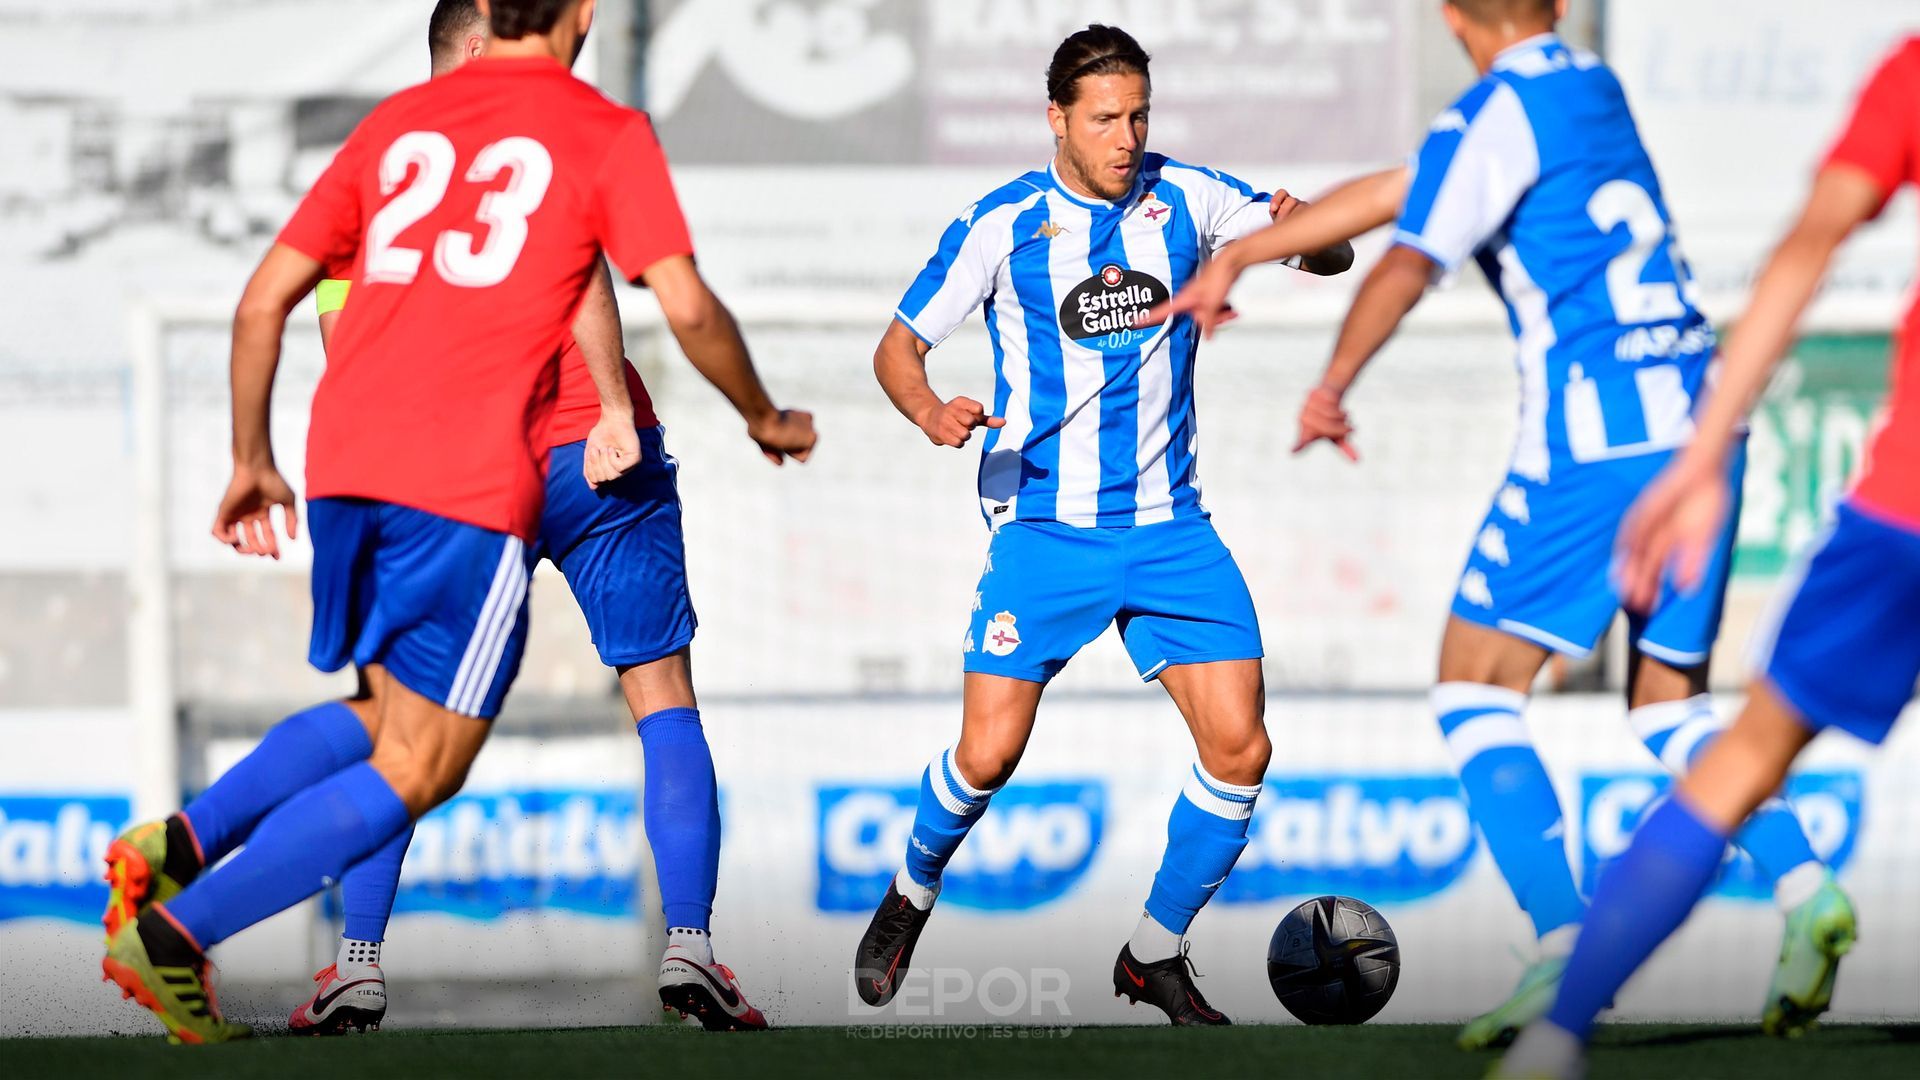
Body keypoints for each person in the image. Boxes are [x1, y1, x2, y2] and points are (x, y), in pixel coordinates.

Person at [99, 0, 810, 1044]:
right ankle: (688, 949)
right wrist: (686, 411)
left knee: (391, 722)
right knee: (520, 731)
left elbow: (292, 316)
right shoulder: (581, 129)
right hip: (524, 465)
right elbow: (603, 284)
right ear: (566, 21)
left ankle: (313, 938)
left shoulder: (387, 147)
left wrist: (259, 457)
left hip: (397, 470)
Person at [1154, 0, 1846, 1048]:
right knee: (1669, 707)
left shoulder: (1489, 120)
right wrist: (1245, 256)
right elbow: (1396, 192)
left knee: (1474, 686)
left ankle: (1564, 941)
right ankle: (1806, 891)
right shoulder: (1587, 88)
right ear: (1559, 8)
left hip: (1597, 448)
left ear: (1447, 16)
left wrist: (1333, 381)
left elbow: (1402, 255)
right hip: (1705, 431)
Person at [852, 23, 1352, 1026]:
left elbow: (1323, 251)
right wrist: (929, 409)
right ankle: (912, 889)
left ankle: (1152, 952)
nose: (1126, 137)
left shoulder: (1188, 197)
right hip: (1045, 525)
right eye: (1106, 119)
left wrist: (1317, 229)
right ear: (1057, 121)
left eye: (1139, 116)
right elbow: (897, 349)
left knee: (1241, 750)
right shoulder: (1005, 225)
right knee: (987, 756)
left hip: (1172, 528)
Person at [1496, 35, 1920, 1079]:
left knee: (1743, 753)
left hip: (1906, 512)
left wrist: (1702, 454)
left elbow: (1811, 240)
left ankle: (1559, 1035)